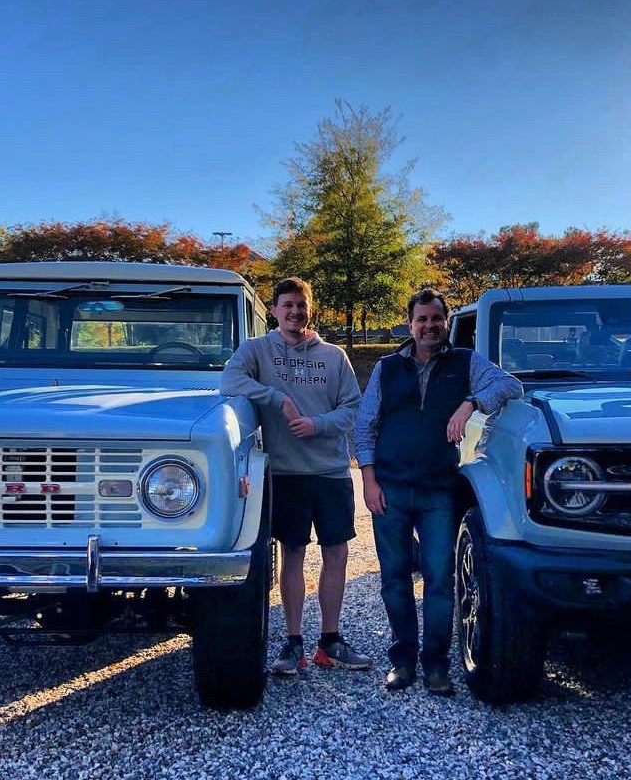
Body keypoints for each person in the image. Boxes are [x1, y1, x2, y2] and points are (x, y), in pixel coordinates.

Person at [354, 288, 523, 695]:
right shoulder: (387, 368)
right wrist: (369, 480)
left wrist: (470, 403)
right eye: (422, 319)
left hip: (438, 492)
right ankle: (402, 661)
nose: (429, 326)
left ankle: (436, 666)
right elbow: (365, 426)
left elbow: (510, 385)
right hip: (390, 490)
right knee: (394, 579)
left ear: (446, 322)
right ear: (410, 324)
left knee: (439, 580)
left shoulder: (465, 362)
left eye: (436, 318)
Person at [220, 276, 370, 675]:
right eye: (287, 305)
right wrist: (276, 398)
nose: (294, 312)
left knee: (336, 553)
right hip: (286, 473)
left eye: (301, 305)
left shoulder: (334, 356)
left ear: (310, 309)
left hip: (332, 473)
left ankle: (330, 641)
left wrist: (317, 424)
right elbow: (229, 381)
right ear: (274, 310)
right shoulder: (257, 351)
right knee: (293, 554)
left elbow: (352, 409)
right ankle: (293, 643)